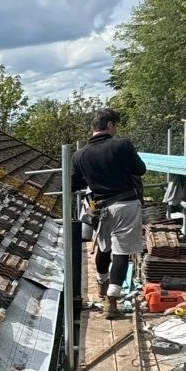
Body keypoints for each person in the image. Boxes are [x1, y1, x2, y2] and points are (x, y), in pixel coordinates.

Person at [71, 107, 146, 319]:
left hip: (99, 207)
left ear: (93, 127)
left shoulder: (80, 155)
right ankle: (112, 302)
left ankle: (102, 286)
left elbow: (74, 183)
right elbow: (140, 169)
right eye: (116, 125)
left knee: (103, 248)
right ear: (110, 125)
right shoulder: (122, 145)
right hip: (125, 204)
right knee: (121, 252)